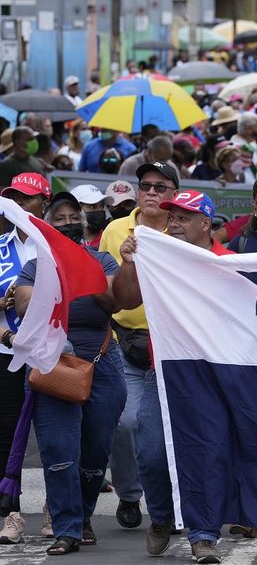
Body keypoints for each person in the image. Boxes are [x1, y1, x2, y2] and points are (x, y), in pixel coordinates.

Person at [111, 187, 228, 564]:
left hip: (214, 377)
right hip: (162, 372)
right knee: (153, 455)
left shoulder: (229, 261)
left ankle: (204, 535)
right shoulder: (156, 255)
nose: (174, 224)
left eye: (183, 218)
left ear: (205, 223)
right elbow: (126, 301)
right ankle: (161, 518)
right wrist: (129, 262)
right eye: (172, 217)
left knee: (205, 455)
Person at [12, 191, 126, 556]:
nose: (66, 224)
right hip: (52, 364)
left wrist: (84, 271)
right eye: (57, 219)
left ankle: (84, 514)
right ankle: (66, 528)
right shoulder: (34, 268)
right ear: (46, 226)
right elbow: (27, 307)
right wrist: (56, 276)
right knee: (59, 451)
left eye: (72, 217)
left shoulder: (103, 260)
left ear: (85, 221)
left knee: (94, 454)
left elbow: (113, 300)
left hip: (101, 363)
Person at [99, 162, 178, 537]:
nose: (151, 192)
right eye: (145, 185)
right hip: (127, 342)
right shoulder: (115, 230)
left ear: (174, 194)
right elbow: (107, 288)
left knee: (170, 431)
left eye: (160, 187)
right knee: (125, 423)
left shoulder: (183, 228)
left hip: (175, 346)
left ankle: (175, 502)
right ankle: (130, 494)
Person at [0, 173, 50, 545]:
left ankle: (57, 508)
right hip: (6, 350)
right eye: (13, 196)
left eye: (27, 197)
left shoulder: (56, 245)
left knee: (54, 435)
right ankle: (9, 510)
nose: (18, 203)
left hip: (50, 353)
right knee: (6, 434)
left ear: (43, 205)